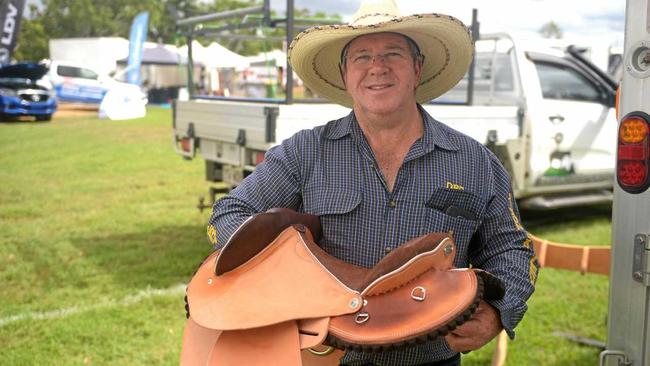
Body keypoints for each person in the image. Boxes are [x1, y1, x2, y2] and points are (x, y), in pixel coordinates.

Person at [207, 0, 538, 365]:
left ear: (416, 68)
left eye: (392, 53)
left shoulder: (475, 161)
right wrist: (294, 261)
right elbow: (229, 213)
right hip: (326, 357)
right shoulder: (306, 151)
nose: (377, 68)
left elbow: (512, 250)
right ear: (345, 74)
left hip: (430, 359)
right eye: (362, 57)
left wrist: (496, 312)